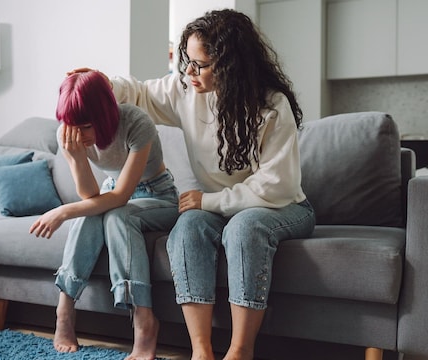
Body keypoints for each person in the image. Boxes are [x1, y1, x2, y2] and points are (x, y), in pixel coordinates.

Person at [69, 9, 316, 360]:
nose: (188, 71)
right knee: (187, 229)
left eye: (199, 64)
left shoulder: (272, 106)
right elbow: (138, 93)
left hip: (282, 206)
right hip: (219, 205)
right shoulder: (186, 89)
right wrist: (104, 85)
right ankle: (201, 351)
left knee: (244, 228)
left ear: (231, 66)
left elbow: (275, 187)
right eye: (187, 60)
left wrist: (209, 201)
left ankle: (240, 351)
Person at [29, 70, 179, 360]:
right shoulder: (69, 134)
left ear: (105, 114)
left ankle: (145, 321)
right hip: (112, 192)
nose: (80, 136)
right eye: (73, 127)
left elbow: (121, 197)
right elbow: (89, 194)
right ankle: (64, 311)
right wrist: (74, 157)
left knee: (117, 215)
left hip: (157, 195)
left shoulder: (136, 123)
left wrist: (62, 211)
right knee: (92, 214)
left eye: (86, 127)